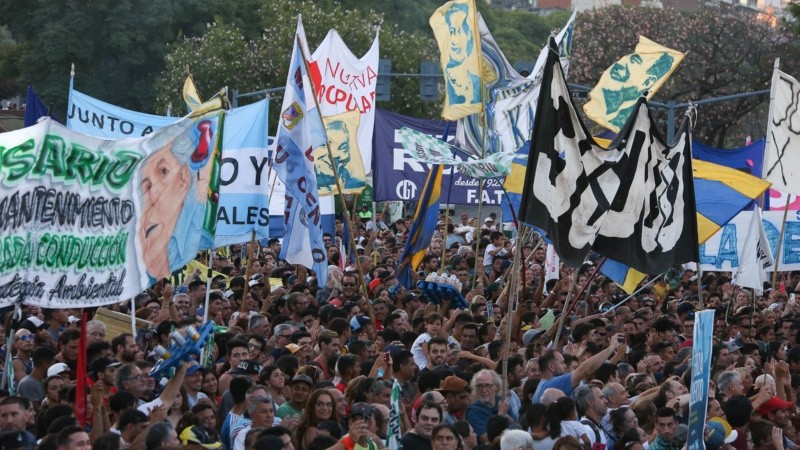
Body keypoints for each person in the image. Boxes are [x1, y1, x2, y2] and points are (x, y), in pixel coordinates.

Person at [442, 2, 480, 106]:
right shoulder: (442, 80)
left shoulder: (477, 81)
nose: (454, 41)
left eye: (459, 31)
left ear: (468, 35)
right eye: (451, 32)